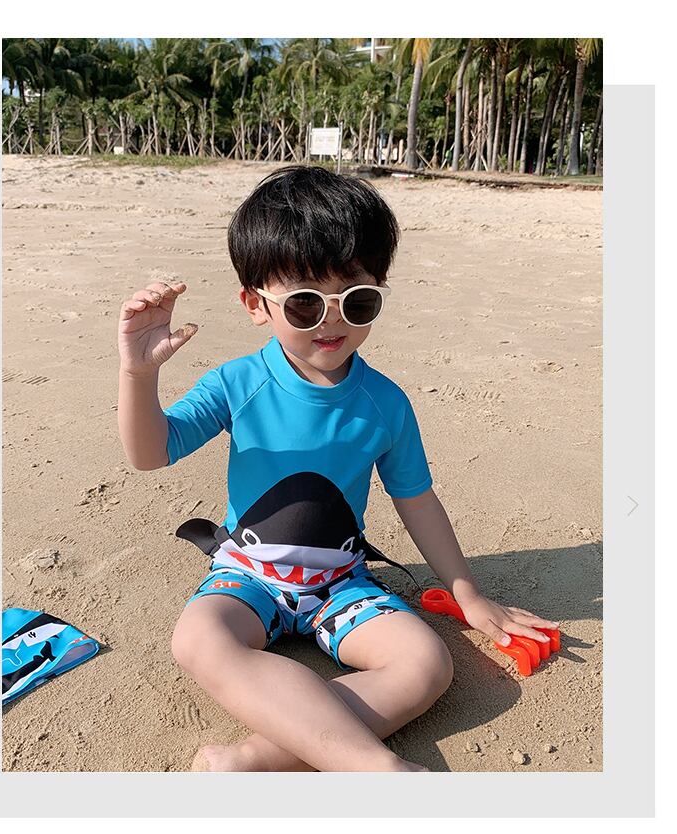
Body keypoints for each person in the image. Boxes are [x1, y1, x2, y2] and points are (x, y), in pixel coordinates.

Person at [117, 165, 558, 772]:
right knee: (199, 639)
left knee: (426, 663)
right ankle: (378, 772)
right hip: (249, 577)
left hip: (340, 584)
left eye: (357, 300)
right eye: (304, 302)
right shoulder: (236, 383)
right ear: (255, 304)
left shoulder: (385, 403)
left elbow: (417, 499)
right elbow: (151, 452)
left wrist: (469, 593)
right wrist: (138, 375)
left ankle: (253, 762)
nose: (332, 321)